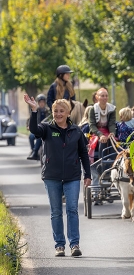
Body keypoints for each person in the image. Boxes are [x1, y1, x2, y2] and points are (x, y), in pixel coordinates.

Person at [23, 95, 91, 257]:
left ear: (68, 113)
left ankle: (74, 244)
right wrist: (34, 111)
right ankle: (59, 245)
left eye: (62, 111)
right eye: (55, 111)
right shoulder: (46, 129)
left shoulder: (76, 131)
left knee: (72, 210)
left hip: (72, 176)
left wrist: (87, 174)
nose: (58, 114)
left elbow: (83, 153)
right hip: (52, 176)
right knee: (56, 211)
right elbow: (34, 130)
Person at [88, 88, 116, 188]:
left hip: (108, 131)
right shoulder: (92, 109)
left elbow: (112, 123)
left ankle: (113, 166)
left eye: (106, 96)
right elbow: (92, 125)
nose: (104, 98)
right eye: (102, 96)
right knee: (101, 142)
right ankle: (101, 166)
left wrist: (112, 133)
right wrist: (100, 135)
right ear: (97, 97)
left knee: (113, 143)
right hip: (97, 132)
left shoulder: (111, 108)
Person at [26, 94, 50, 160]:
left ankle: (35, 152)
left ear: (45, 103)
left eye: (43, 102)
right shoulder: (35, 110)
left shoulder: (48, 111)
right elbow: (30, 119)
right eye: (40, 102)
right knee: (31, 136)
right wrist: (28, 126)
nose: (42, 104)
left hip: (44, 130)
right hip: (36, 128)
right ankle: (33, 150)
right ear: (38, 103)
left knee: (39, 136)